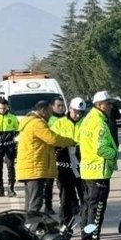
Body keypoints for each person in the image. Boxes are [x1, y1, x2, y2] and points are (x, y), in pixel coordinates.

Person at [16, 100, 78, 216]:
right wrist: (70, 141)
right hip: (35, 169)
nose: (51, 116)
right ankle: (32, 229)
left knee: (30, 203)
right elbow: (53, 139)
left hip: (29, 168)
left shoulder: (29, 122)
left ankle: (27, 228)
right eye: (50, 112)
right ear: (43, 111)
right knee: (35, 203)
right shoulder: (37, 123)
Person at [76, 91, 119, 240]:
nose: (110, 107)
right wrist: (115, 154)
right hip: (98, 172)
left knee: (88, 209)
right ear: (100, 105)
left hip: (87, 171)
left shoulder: (87, 120)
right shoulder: (99, 124)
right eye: (108, 103)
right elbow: (101, 148)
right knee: (97, 211)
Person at [51, 97, 87, 228]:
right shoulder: (59, 124)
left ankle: (86, 223)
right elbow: (52, 141)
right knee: (65, 197)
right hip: (63, 164)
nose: (78, 115)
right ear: (70, 109)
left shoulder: (86, 123)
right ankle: (65, 223)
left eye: (80, 113)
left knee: (85, 196)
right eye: (75, 111)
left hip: (82, 164)